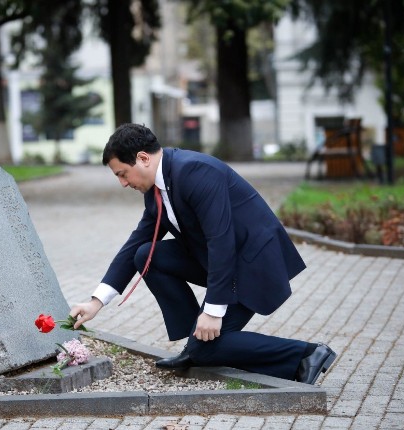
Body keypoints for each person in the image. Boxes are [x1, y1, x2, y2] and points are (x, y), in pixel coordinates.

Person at [69, 123, 336, 384]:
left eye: (123, 174)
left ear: (143, 158)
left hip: (252, 265)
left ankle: (307, 354)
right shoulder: (156, 190)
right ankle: (195, 341)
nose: (123, 183)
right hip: (222, 261)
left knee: (207, 350)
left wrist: (213, 310)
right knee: (145, 253)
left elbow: (221, 241)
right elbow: (135, 243)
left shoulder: (195, 171)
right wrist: (96, 302)